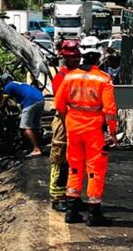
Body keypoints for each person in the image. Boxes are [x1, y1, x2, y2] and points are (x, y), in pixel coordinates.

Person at [54, 35, 117, 226]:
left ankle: (71, 212)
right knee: (95, 170)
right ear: (98, 58)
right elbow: (110, 110)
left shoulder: (69, 76)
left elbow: (59, 104)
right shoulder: (103, 79)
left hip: (73, 128)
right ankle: (94, 214)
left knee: (74, 167)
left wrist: (69, 121)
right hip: (94, 131)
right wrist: (112, 133)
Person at [49, 39, 81, 211]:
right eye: (73, 58)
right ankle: (57, 197)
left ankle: (71, 195)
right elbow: (61, 105)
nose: (76, 60)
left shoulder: (78, 75)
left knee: (74, 160)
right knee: (60, 157)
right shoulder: (61, 77)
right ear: (65, 58)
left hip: (77, 122)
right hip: (64, 121)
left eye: (77, 57)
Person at [0, 73, 45, 157]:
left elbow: (3, 102)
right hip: (41, 100)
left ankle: (36, 149)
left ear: (4, 81)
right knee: (35, 126)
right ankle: (39, 145)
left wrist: (1, 109)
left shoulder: (8, 86)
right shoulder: (20, 84)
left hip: (30, 102)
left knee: (25, 127)